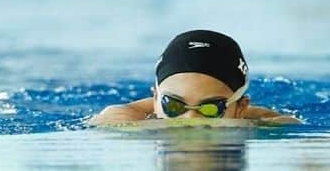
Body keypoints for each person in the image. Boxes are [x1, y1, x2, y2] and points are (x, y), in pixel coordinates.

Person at [89, 30, 300, 126]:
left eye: (210, 109)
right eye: (173, 106)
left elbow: (292, 124)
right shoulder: (122, 116)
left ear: (241, 108)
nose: (190, 120)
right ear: (155, 99)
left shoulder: (264, 120)